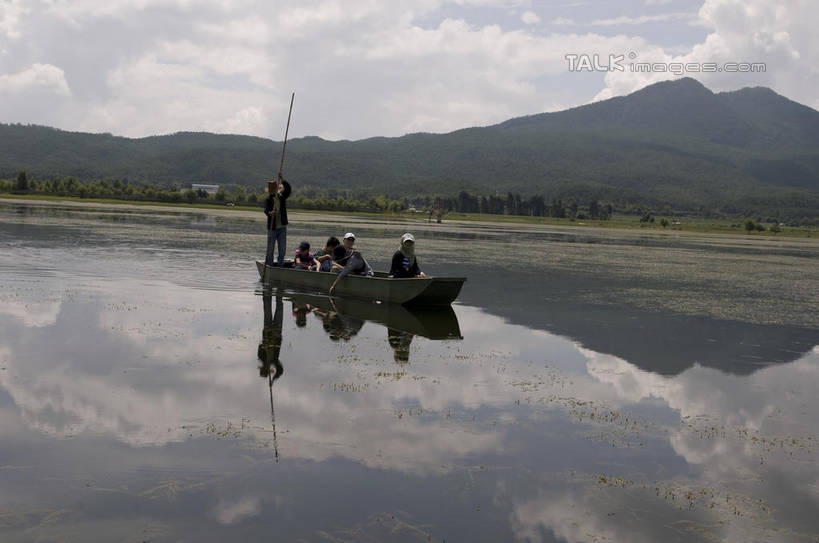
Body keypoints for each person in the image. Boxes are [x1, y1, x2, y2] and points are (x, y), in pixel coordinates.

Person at [263, 176, 292, 267]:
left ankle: (280, 266)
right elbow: (266, 210)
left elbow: (288, 189)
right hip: (272, 228)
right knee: (270, 250)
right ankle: (269, 265)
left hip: (282, 228)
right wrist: (270, 213)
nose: (273, 191)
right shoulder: (268, 199)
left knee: (282, 249)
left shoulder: (282, 197)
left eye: (274, 190)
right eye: (271, 190)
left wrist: (282, 179)